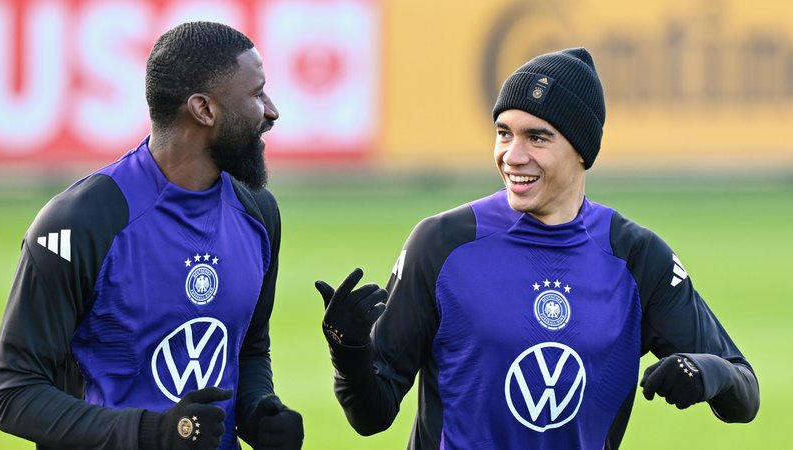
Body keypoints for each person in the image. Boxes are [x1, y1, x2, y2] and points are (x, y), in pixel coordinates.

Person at [315, 47, 760, 449]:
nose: (512, 155)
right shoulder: (442, 243)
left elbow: (744, 393)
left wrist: (706, 373)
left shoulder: (637, 258)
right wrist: (349, 352)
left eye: (537, 137)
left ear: (582, 150)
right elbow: (370, 415)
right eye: (504, 133)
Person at [0, 21, 304, 450]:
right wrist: (151, 433)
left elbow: (248, 349)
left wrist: (258, 411)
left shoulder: (258, 212)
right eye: (256, 94)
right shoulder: (78, 222)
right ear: (204, 110)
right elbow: (15, 394)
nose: (271, 111)